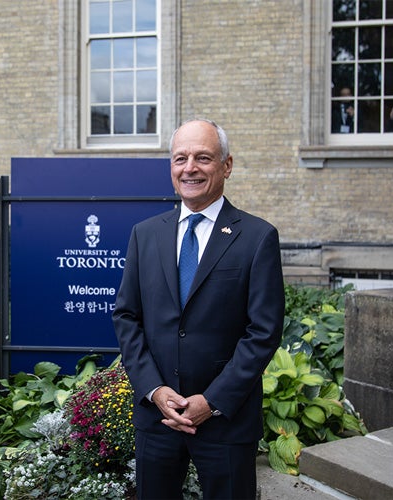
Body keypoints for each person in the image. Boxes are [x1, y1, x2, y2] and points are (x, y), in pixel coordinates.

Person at [113, 119, 284, 499]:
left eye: (203, 157)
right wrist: (155, 390)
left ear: (227, 165)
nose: (190, 168)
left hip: (226, 422)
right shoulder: (145, 234)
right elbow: (127, 316)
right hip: (158, 418)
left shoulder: (257, 237)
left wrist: (213, 401)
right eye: (180, 158)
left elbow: (264, 331)